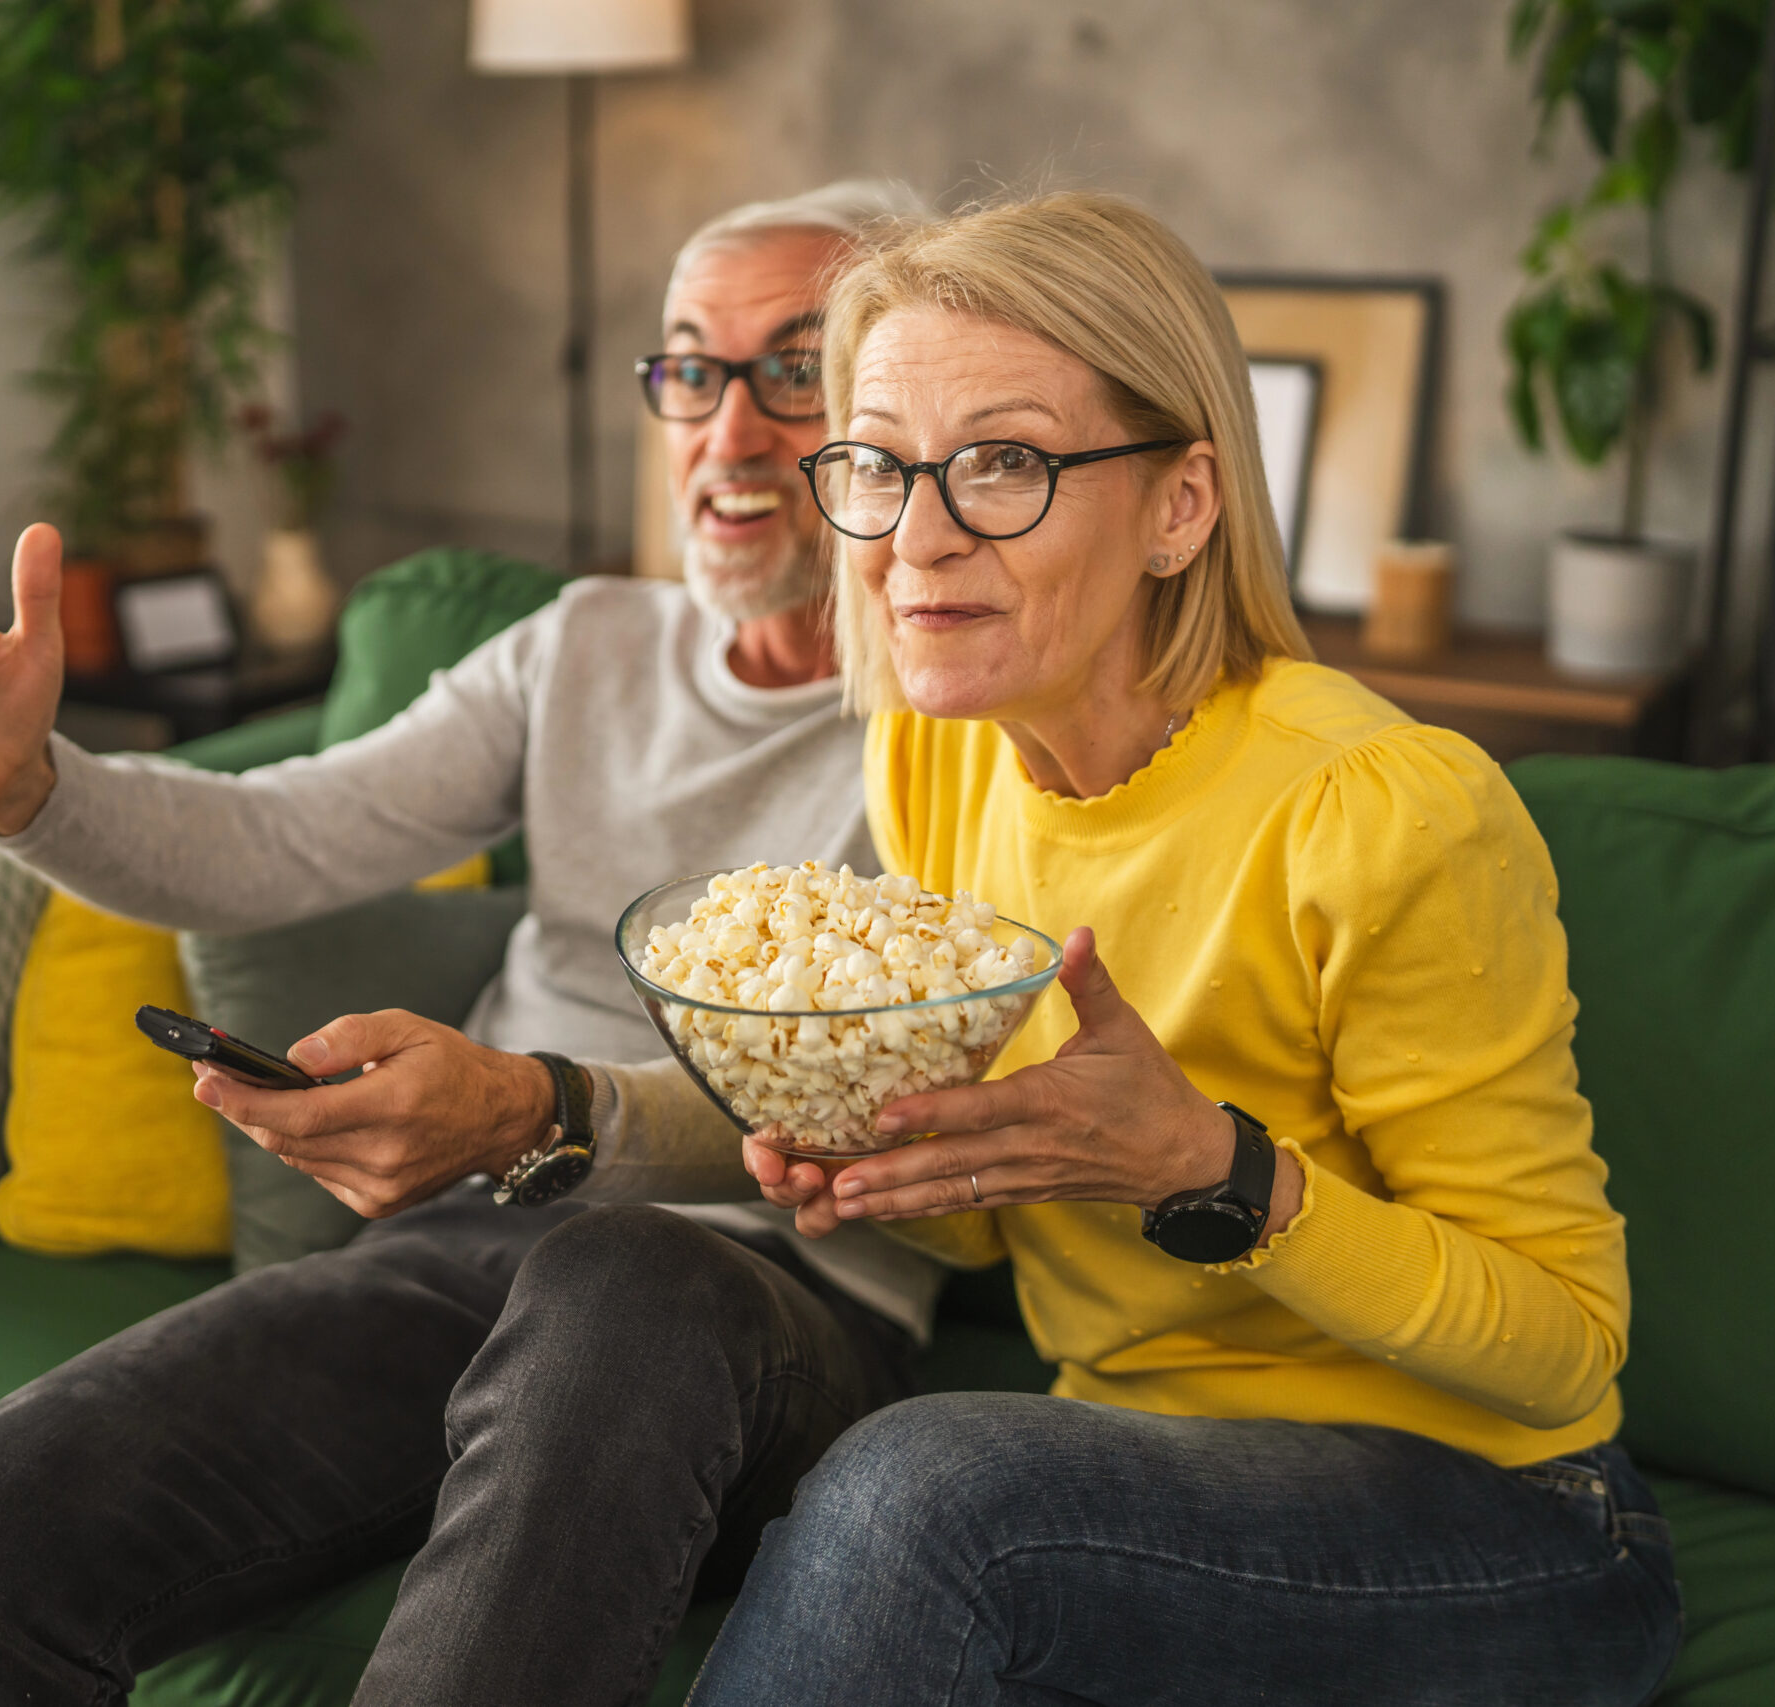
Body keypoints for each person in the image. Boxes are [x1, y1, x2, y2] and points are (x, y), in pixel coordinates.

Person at [0, 181, 951, 1707]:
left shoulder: (965, 718)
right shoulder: (584, 646)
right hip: (468, 1252)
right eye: (691, 369)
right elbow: (285, 833)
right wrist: (34, 787)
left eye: (795, 371)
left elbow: (875, 1119)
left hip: (769, 1304)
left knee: (628, 1279)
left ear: (903, 410)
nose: (728, 433)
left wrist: (539, 1110)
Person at [687, 193, 1680, 1705]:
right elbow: (999, 1218)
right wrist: (883, 1151)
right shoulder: (940, 752)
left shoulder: (1381, 811)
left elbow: (1567, 1349)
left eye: (1005, 464)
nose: (918, 540)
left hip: (1506, 1521)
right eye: (880, 468)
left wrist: (1206, 1168)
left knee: (922, 1490)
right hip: (1139, 1476)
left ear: (1181, 506)